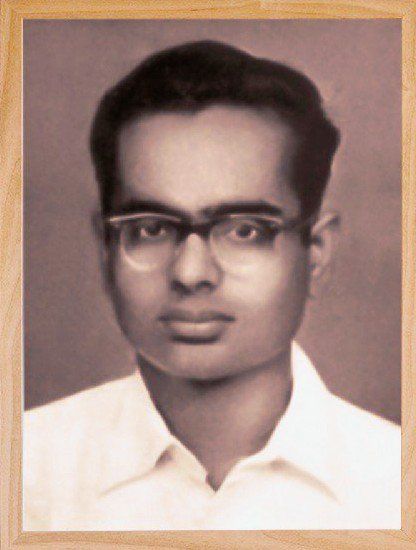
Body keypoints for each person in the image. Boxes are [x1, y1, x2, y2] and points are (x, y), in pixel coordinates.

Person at [24, 40, 400, 530]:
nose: (190, 273)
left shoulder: (394, 481)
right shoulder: (25, 470)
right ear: (105, 248)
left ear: (316, 253)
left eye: (244, 230)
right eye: (150, 228)